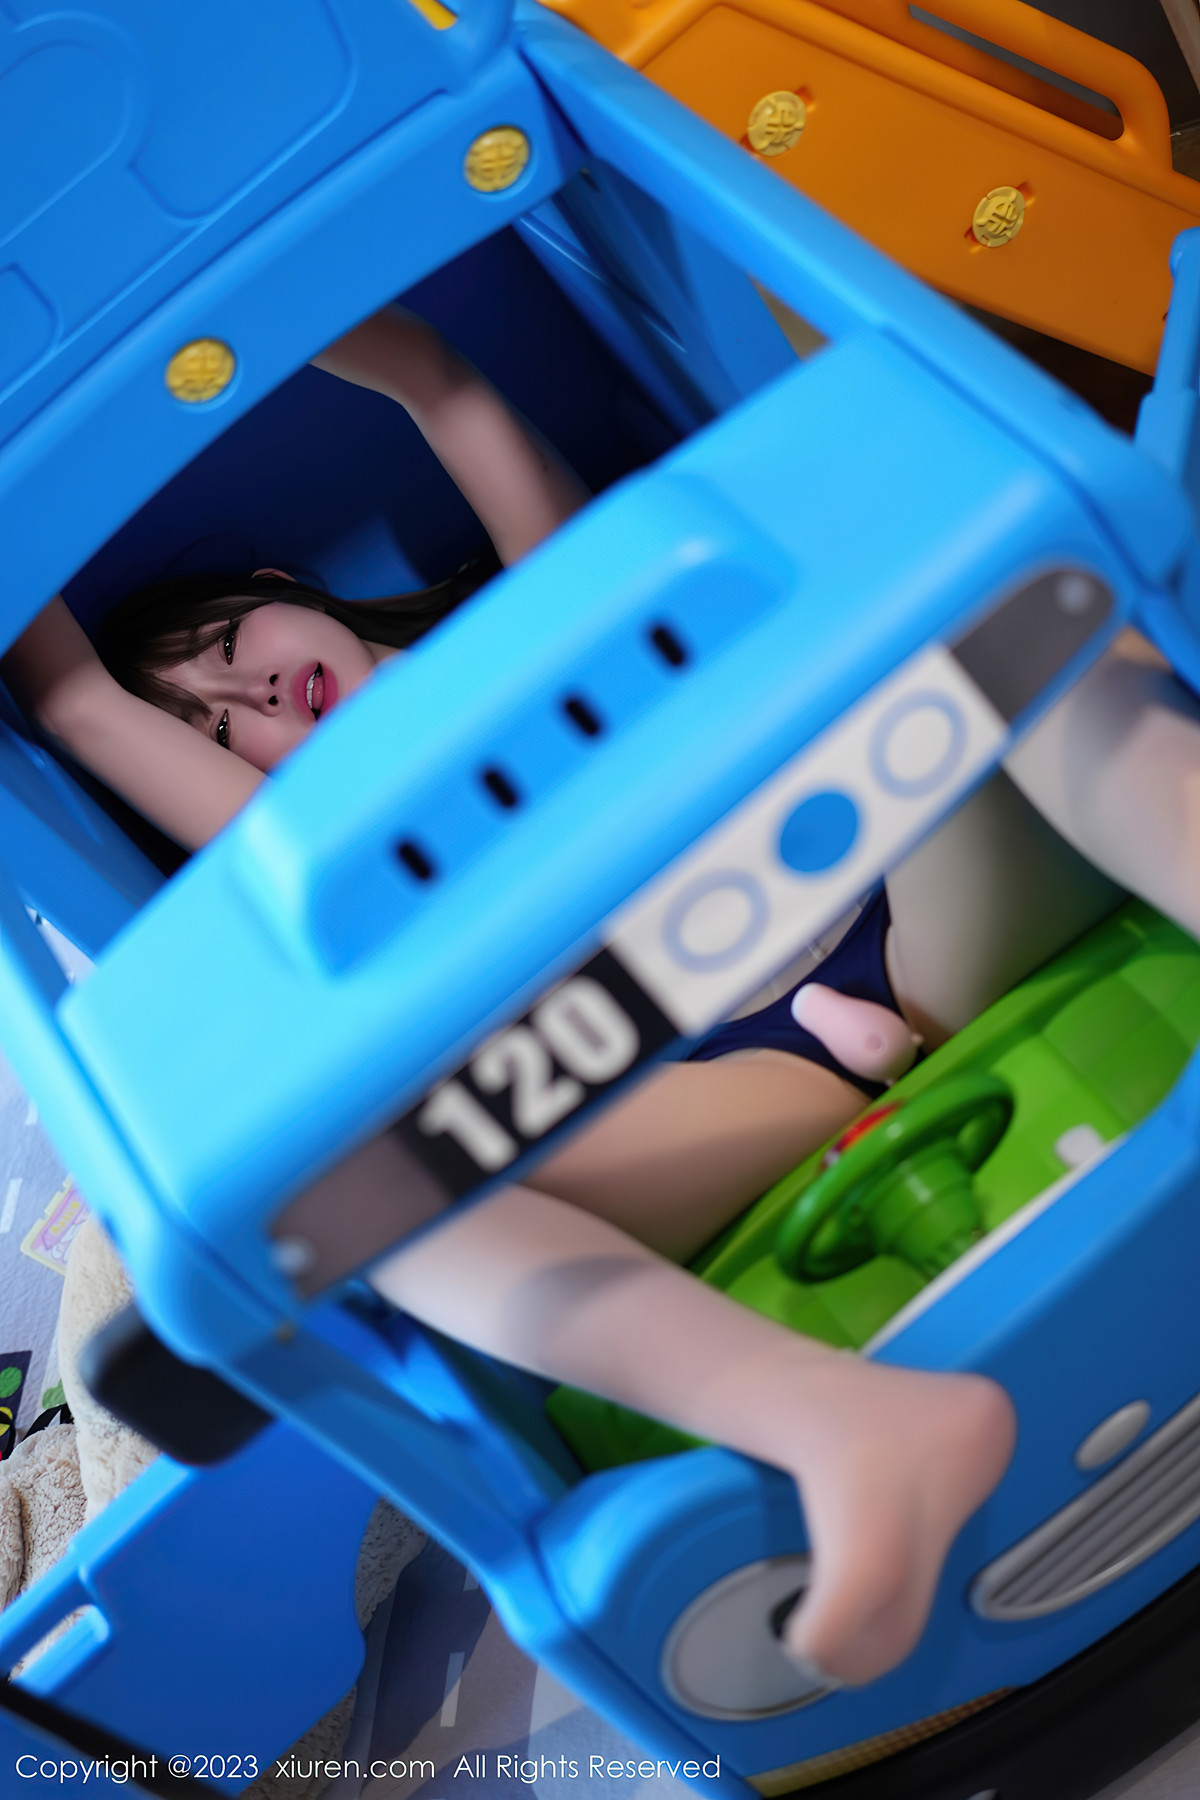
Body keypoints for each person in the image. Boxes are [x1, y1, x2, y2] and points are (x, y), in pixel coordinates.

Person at [4, 306, 1193, 1690]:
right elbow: (78, 703)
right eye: (221, 726)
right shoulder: (322, 855)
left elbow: (445, 383)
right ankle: (847, 1429)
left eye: (229, 643)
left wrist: (340, 324)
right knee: (389, 1211)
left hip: (923, 912)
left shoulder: (535, 615)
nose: (254, 690)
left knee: (1018, 629)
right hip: (748, 1080)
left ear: (285, 585)